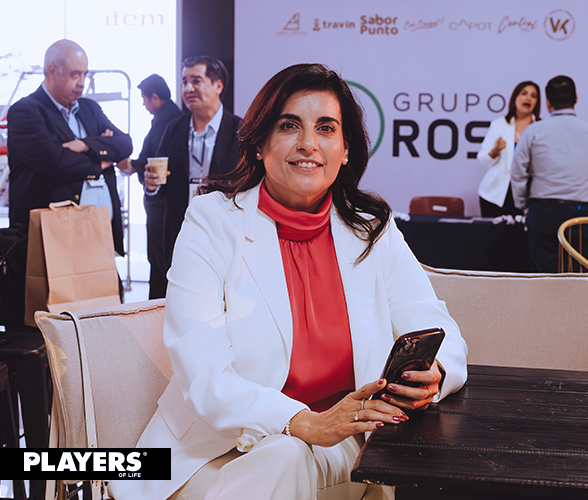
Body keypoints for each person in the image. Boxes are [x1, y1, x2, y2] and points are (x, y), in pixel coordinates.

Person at [109, 63, 468, 500]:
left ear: (346, 149)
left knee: (287, 456)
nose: (308, 144)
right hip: (214, 442)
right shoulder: (211, 221)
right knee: (286, 454)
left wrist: (433, 374)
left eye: (326, 128)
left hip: (340, 436)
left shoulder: (373, 230)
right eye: (289, 125)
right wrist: (301, 421)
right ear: (260, 143)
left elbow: (440, 332)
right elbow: (203, 371)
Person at [7, 39, 132, 256]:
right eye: (75, 74)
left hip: (101, 233)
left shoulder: (89, 108)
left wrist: (84, 144)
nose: (81, 82)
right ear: (52, 70)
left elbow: (125, 144)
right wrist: (104, 159)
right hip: (51, 239)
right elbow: (56, 162)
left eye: (85, 74)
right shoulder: (26, 111)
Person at [144, 56, 241, 297]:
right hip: (178, 229)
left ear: (218, 85)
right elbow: (159, 183)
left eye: (196, 81)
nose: (188, 88)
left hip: (223, 231)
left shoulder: (240, 131)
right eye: (184, 81)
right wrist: (152, 185)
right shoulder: (173, 128)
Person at [511, 75, 588, 273]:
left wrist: (523, 204)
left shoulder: (534, 131)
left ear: (547, 102)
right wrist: (580, 182)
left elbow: (517, 172)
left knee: (544, 276)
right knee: (579, 274)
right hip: (580, 211)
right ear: (576, 98)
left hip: (543, 210)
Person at [117, 74, 182, 299]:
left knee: (159, 256)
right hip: (165, 199)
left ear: (154, 97)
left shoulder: (168, 120)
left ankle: (156, 307)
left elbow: (155, 158)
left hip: (162, 200)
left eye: (144, 99)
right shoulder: (173, 117)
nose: (144, 105)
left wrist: (131, 165)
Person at [477, 81, 541, 218]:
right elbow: (483, 159)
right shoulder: (499, 124)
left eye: (533, 96)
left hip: (528, 196)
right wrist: (495, 151)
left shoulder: (541, 127)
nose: (528, 98)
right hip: (495, 195)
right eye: (524, 93)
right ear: (515, 98)